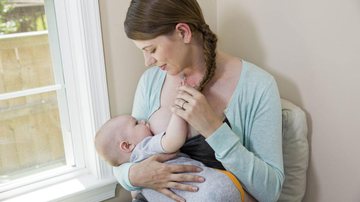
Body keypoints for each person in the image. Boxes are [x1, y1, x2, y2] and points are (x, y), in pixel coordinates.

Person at [114, 0, 285, 201]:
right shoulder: (150, 82)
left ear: (183, 32)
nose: (147, 62)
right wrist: (133, 175)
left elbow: (270, 191)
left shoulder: (257, 86)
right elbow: (126, 157)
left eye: (151, 50)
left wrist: (213, 129)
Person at [95, 112, 245, 202]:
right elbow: (173, 140)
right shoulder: (144, 148)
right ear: (127, 146)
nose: (142, 121)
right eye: (136, 123)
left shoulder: (140, 183)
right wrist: (177, 111)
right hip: (218, 189)